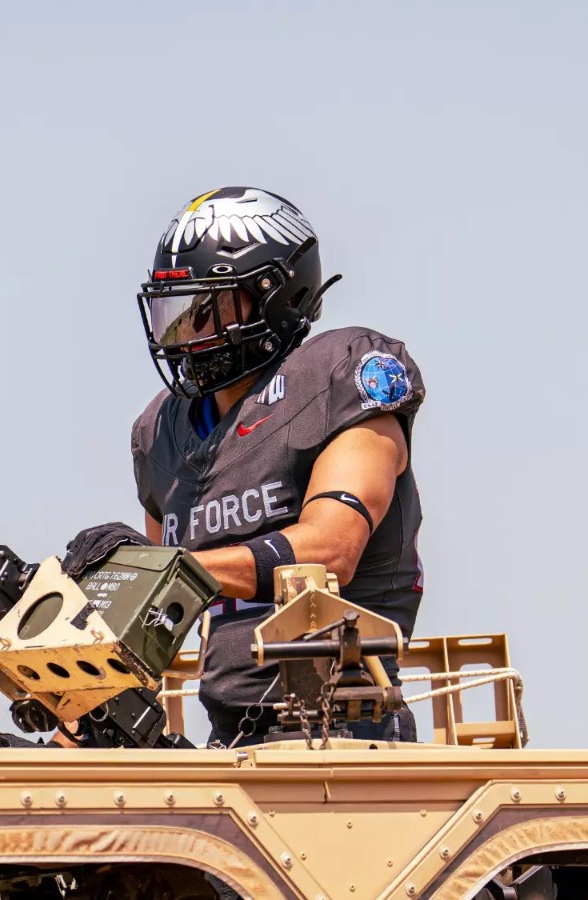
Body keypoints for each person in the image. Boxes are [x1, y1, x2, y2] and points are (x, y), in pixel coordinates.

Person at [66, 186, 428, 748]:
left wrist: (163, 568)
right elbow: (153, 625)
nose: (185, 333)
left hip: (346, 736)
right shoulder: (161, 430)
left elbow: (332, 547)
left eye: (205, 310)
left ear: (274, 297)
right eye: (175, 314)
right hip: (230, 742)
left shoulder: (340, 373)